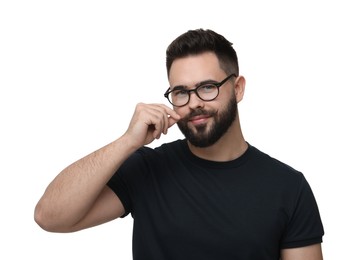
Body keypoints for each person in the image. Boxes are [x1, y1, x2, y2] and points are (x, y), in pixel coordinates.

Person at [34, 28, 324, 259]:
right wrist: (126, 142)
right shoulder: (148, 169)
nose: (194, 103)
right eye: (180, 92)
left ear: (237, 89)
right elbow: (50, 216)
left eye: (208, 87)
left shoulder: (288, 187)